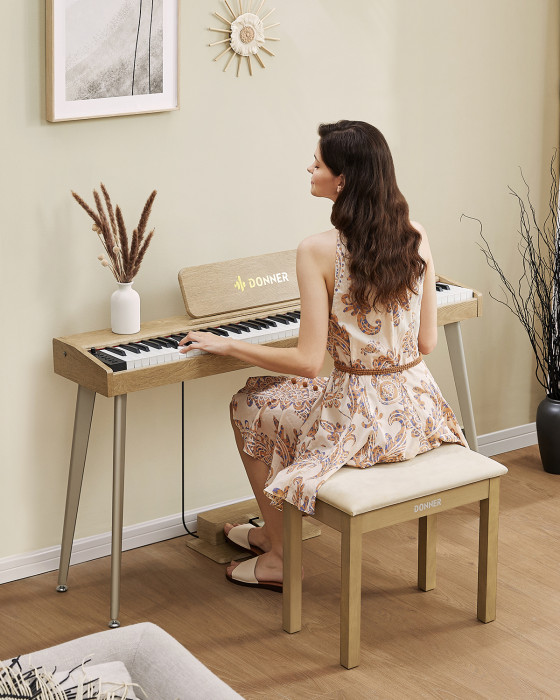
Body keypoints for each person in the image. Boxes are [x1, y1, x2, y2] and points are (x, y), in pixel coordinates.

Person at [179, 120, 467, 592]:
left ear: (343, 180)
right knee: (269, 394)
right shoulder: (414, 233)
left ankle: (280, 557)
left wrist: (227, 343)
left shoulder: (317, 251)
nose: (309, 167)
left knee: (248, 405)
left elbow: (309, 363)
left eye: (318, 162)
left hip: (359, 423)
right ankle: (272, 533)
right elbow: (427, 343)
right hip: (418, 412)